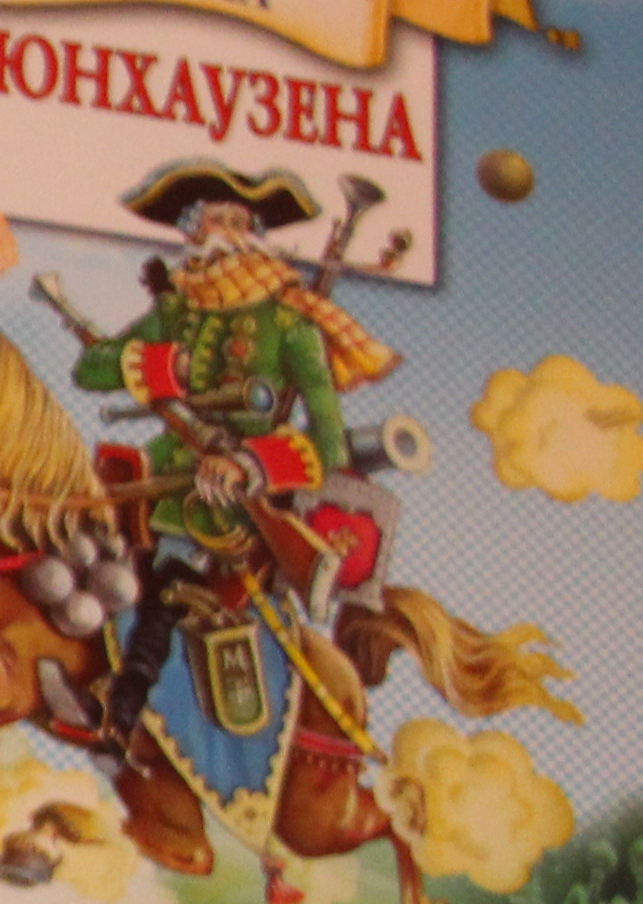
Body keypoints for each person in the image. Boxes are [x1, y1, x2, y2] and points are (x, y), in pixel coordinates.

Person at [66, 159, 397, 744]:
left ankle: (124, 705)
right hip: (165, 468)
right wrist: (165, 366)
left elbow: (327, 438)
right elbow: (90, 368)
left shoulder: (290, 319)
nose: (227, 233)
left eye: (240, 222)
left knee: (168, 576)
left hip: (238, 499)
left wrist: (249, 465)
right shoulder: (177, 308)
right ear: (193, 230)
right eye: (216, 219)